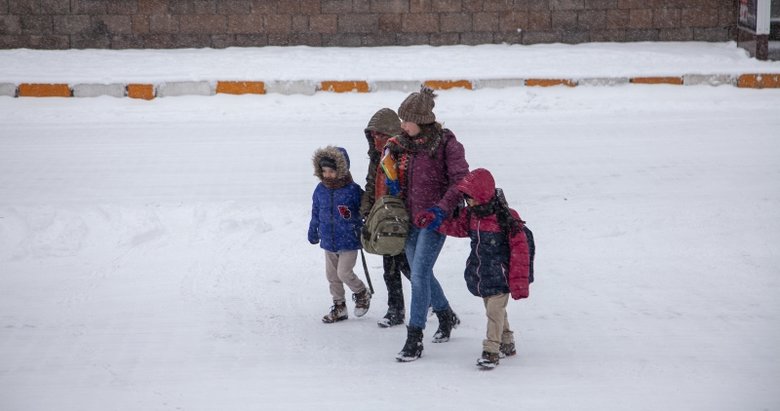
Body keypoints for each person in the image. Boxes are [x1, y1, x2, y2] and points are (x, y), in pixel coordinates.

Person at [382, 86, 470, 362]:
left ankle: (414, 337)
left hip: (434, 220)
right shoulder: (404, 144)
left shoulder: (446, 144)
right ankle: (445, 315)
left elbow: (460, 182)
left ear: (420, 120)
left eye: (406, 120)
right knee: (422, 272)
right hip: (409, 219)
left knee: (419, 275)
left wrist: (441, 210)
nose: (401, 125)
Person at [439, 168, 531, 369]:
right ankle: (507, 342)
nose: (468, 202)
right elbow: (459, 228)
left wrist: (519, 282)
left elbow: (520, 251)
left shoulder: (506, 217)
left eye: (470, 197)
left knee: (494, 311)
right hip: (482, 274)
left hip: (501, 275)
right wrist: (438, 224)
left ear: (482, 194)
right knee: (496, 311)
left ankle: (491, 350)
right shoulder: (472, 215)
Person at [359, 108, 412, 328]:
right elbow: (371, 185)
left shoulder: (402, 156)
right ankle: (395, 310)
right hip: (383, 219)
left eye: (379, 135)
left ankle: (436, 304)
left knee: (409, 267)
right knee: (391, 269)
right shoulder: (376, 158)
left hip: (401, 219)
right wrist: (366, 211)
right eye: (372, 135)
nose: (375, 139)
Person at [308, 146, 372, 323]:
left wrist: (358, 220)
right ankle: (339, 307)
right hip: (328, 240)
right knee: (332, 276)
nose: (327, 175)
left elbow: (365, 209)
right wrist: (313, 229)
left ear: (342, 170)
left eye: (331, 171)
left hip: (349, 240)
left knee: (344, 273)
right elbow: (316, 212)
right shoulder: (320, 190)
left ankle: (361, 293)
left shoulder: (352, 190)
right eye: (324, 171)